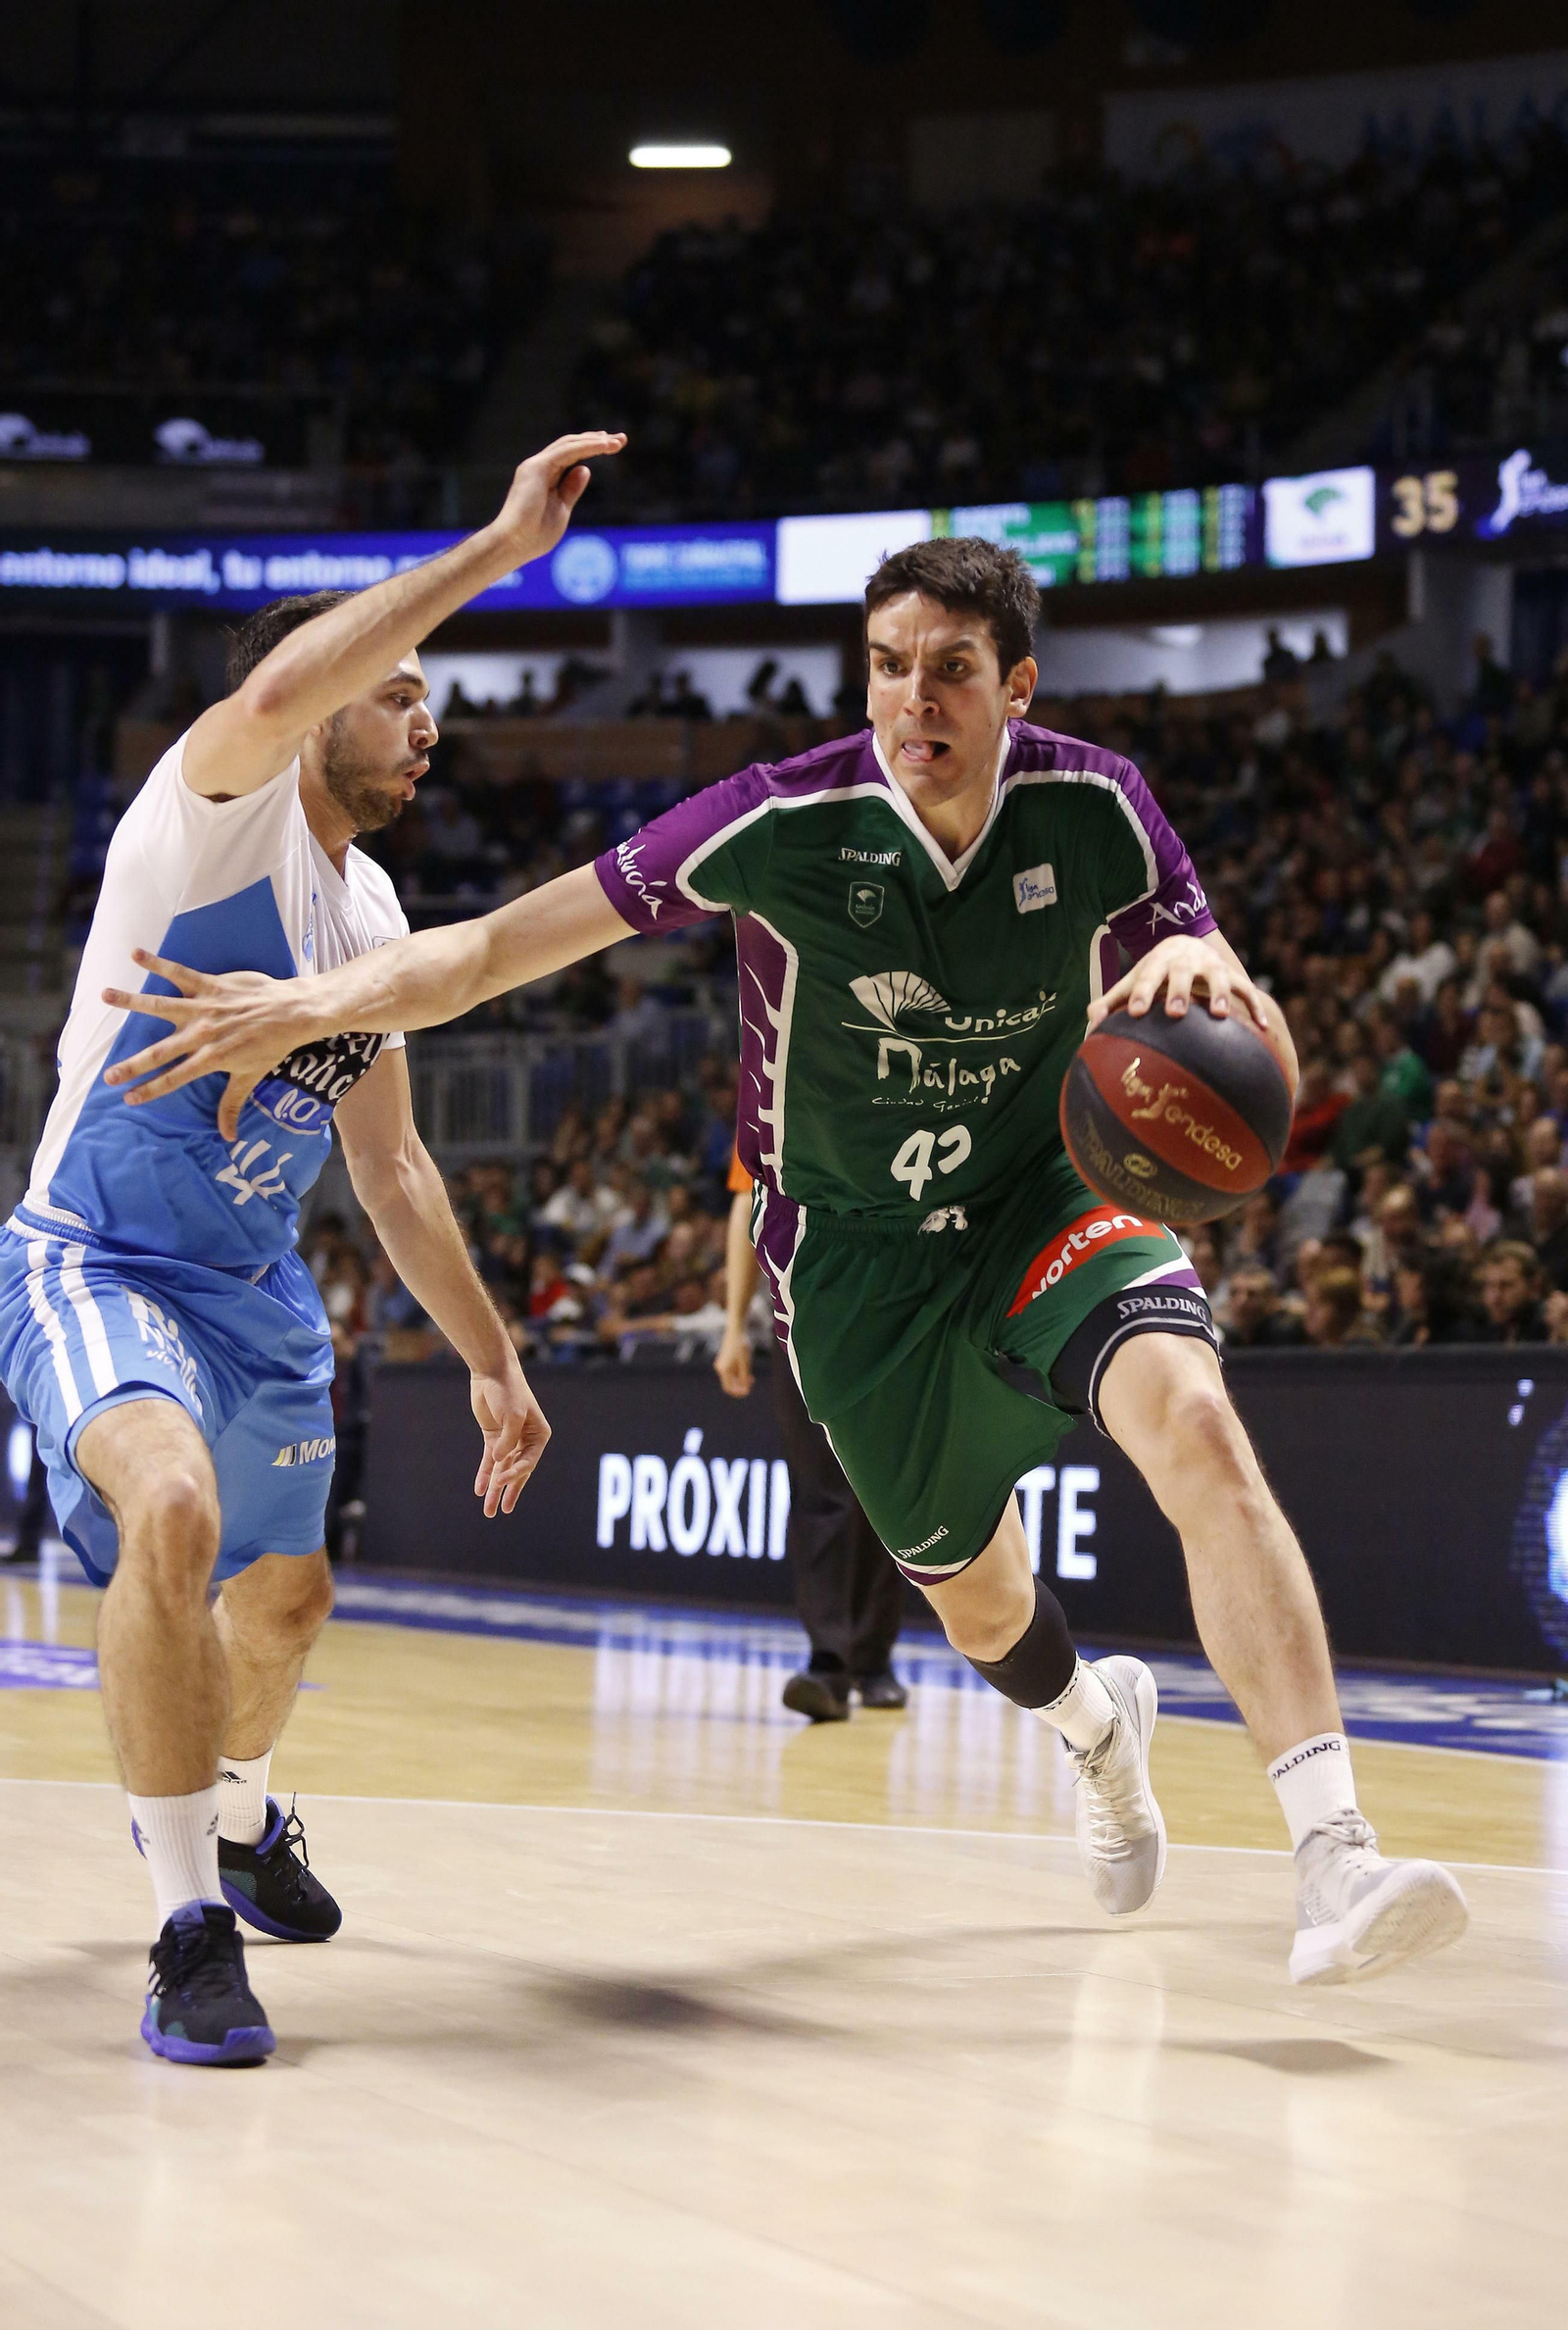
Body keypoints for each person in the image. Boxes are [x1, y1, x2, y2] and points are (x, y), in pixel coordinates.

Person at [105, 531, 1469, 1988]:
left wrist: (1219, 976)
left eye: (951, 669)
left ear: (1016, 685)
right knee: (982, 1604)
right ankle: (1092, 1728)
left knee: (1197, 1422)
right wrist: (304, 1006)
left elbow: (1242, 1010)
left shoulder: (1102, 808)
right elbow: (492, 950)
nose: (912, 699)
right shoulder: (774, 819)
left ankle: (1334, 1855)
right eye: (888, 666)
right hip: (857, 1266)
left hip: (1039, 1200)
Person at [0, 428, 624, 2067]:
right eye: (402, 687)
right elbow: (279, 691)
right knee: (178, 1512)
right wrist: (498, 549)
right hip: (98, 1262)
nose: (430, 718)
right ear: (318, 694)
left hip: (258, 1296)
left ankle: (248, 1808)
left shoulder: (381, 919)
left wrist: (494, 1357)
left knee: (286, 1601)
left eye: (429, 694)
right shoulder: (215, 808)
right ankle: (189, 1929)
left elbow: (395, 1160)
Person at [715, 1148, 905, 1722]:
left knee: (884, 1490)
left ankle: (873, 1660)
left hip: (896, 1308)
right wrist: (733, 1327)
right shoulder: (769, 1080)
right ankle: (829, 1662)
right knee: (820, 1491)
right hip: (802, 1316)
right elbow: (747, 1203)